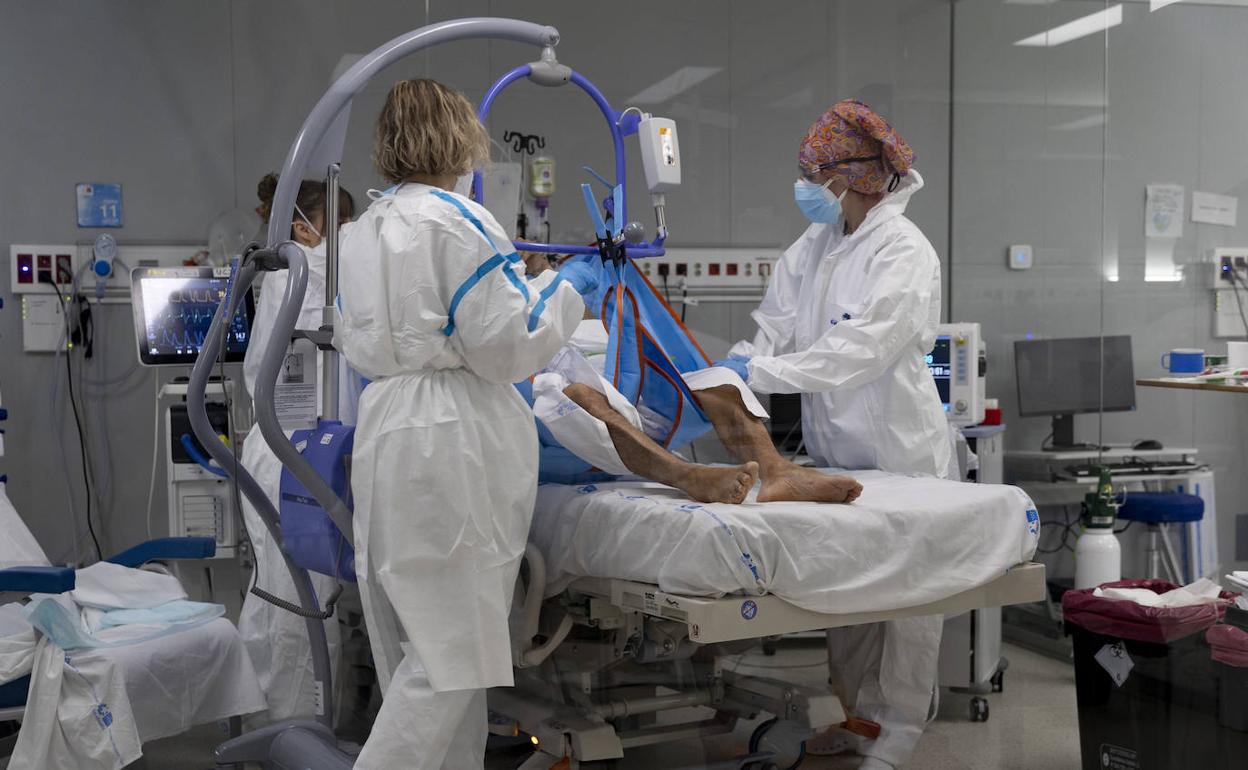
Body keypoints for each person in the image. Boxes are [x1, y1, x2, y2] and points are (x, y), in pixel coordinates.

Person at [334, 79, 585, 769]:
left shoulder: (360, 232)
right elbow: (505, 347)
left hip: (388, 424)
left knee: (417, 644)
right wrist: (564, 292)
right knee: (452, 656)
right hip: (451, 435)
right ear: (461, 138)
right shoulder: (458, 220)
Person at [725, 100, 950, 769]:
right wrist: (736, 369)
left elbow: (863, 348)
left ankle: (898, 734)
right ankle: (857, 723)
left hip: (903, 453)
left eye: (812, 174)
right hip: (837, 454)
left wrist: (765, 371)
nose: (805, 186)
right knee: (850, 595)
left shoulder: (903, 250)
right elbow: (776, 322)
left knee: (908, 602)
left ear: (849, 177)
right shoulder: (817, 244)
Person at [521, 252, 863, 505]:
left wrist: (555, 277)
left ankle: (778, 472)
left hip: (633, 402)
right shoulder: (525, 316)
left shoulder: (592, 312)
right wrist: (541, 281)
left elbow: (596, 325)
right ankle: (688, 476)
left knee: (718, 379)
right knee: (578, 394)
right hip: (568, 427)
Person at [238, 173, 357, 724]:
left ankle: (274, 718)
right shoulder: (302, 273)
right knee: (299, 601)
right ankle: (297, 728)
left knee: (284, 592)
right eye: (343, 226)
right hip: (295, 455)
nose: (350, 235)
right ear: (304, 229)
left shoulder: (293, 272)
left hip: (294, 450)